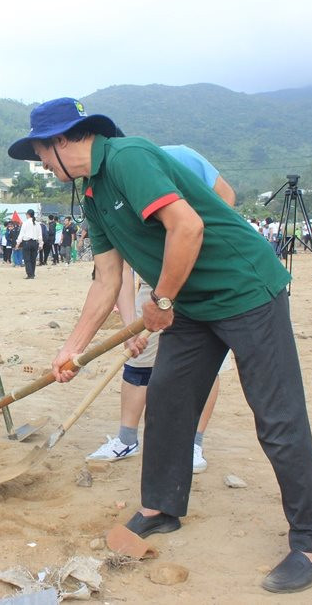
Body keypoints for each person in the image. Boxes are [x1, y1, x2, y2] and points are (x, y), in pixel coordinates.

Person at [9, 97, 312, 594]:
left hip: (245, 291)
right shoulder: (92, 194)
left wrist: (159, 300)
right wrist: (70, 349)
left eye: (40, 155)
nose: (43, 167)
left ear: (63, 139)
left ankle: (311, 543)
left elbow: (189, 226)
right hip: (192, 306)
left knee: (277, 415)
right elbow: (107, 278)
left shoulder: (128, 157)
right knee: (168, 401)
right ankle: (161, 507)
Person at [86, 143, 237, 474]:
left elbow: (226, 197)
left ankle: (193, 444)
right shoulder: (108, 190)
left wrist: (193, 254)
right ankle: (126, 438)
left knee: (205, 365)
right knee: (139, 360)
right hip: (156, 282)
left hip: (205, 279)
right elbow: (118, 272)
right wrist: (129, 329)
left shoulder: (180, 157)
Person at [17, 209, 41, 278]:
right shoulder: (37, 223)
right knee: (33, 259)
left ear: (28, 215)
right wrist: (40, 244)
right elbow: (40, 235)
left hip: (27, 242)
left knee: (27, 259)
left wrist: (18, 243)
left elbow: (21, 234)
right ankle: (32, 273)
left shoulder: (25, 223)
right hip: (35, 243)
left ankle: (29, 274)